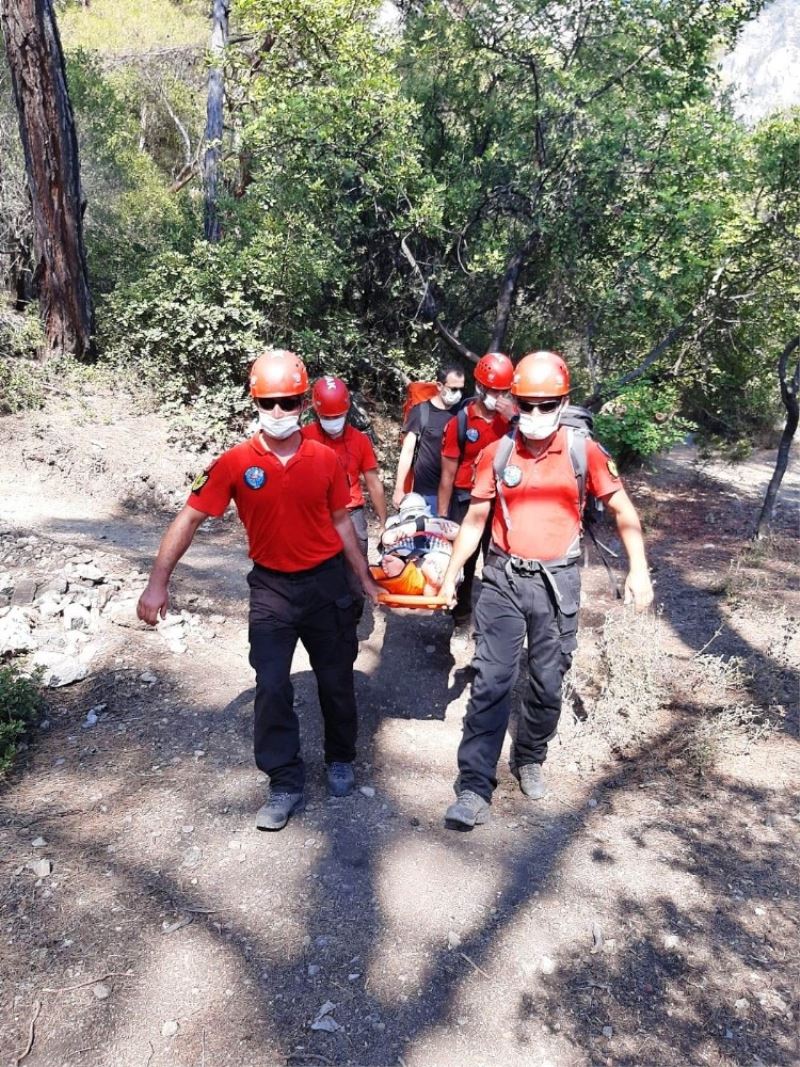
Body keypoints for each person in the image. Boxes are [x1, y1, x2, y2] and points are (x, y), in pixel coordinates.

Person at [136, 349, 382, 832]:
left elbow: (341, 523)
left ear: (302, 404)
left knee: (336, 679)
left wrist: (365, 579)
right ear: (254, 403)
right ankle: (285, 781)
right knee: (271, 685)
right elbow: (188, 518)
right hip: (271, 589)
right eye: (268, 403)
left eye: (288, 403)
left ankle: (340, 757)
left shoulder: (326, 461)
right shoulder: (233, 463)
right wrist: (157, 582)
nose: (277, 413)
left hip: (327, 583)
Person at [438, 350, 654, 830]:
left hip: (558, 582)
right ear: (514, 401)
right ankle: (474, 786)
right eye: (527, 404)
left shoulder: (584, 452)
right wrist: (454, 571)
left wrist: (639, 569)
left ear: (563, 402)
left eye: (546, 405)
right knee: (491, 682)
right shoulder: (498, 453)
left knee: (547, 681)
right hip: (502, 579)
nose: (535, 415)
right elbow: (475, 518)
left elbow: (623, 511)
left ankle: (530, 756)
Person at [437, 351, 515, 632]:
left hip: (502, 502)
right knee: (464, 563)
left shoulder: (517, 421)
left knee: (498, 565)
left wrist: (515, 418)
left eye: (504, 390)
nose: (499, 396)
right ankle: (460, 619)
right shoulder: (460, 422)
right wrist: (443, 516)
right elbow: (447, 474)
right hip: (465, 500)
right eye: (494, 390)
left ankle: (494, 624)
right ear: (480, 387)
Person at [303, 375, 388, 566]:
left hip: (351, 513)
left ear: (347, 410)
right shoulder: (304, 438)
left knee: (357, 573)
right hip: (317, 514)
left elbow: (373, 483)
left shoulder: (360, 441)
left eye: (337, 417)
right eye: (326, 417)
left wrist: (384, 523)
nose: (332, 422)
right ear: (316, 411)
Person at [393, 363, 466, 514]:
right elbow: (407, 451)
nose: (458, 393)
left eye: (461, 389)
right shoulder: (421, 411)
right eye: (453, 389)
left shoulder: (462, 414)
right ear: (439, 386)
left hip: (456, 494)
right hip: (427, 495)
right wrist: (399, 488)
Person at [370, 492, 460, 597]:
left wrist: (419, 526)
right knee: (394, 558)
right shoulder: (395, 525)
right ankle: (403, 573)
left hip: (433, 553)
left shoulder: (437, 523)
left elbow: (459, 533)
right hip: (407, 559)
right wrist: (397, 533)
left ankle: (428, 580)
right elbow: (386, 539)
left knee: (438, 564)